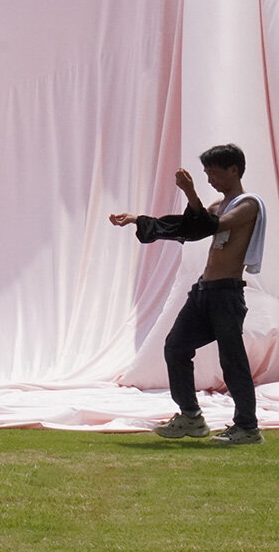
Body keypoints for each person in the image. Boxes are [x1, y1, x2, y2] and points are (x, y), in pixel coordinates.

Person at [110, 144, 267, 445]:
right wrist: (137, 220)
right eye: (206, 174)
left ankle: (247, 427)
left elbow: (213, 227)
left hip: (226, 292)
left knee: (232, 359)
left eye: (213, 173)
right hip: (203, 291)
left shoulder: (248, 205)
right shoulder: (217, 205)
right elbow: (189, 227)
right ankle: (191, 417)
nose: (209, 179)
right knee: (176, 347)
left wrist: (190, 193)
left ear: (233, 170)